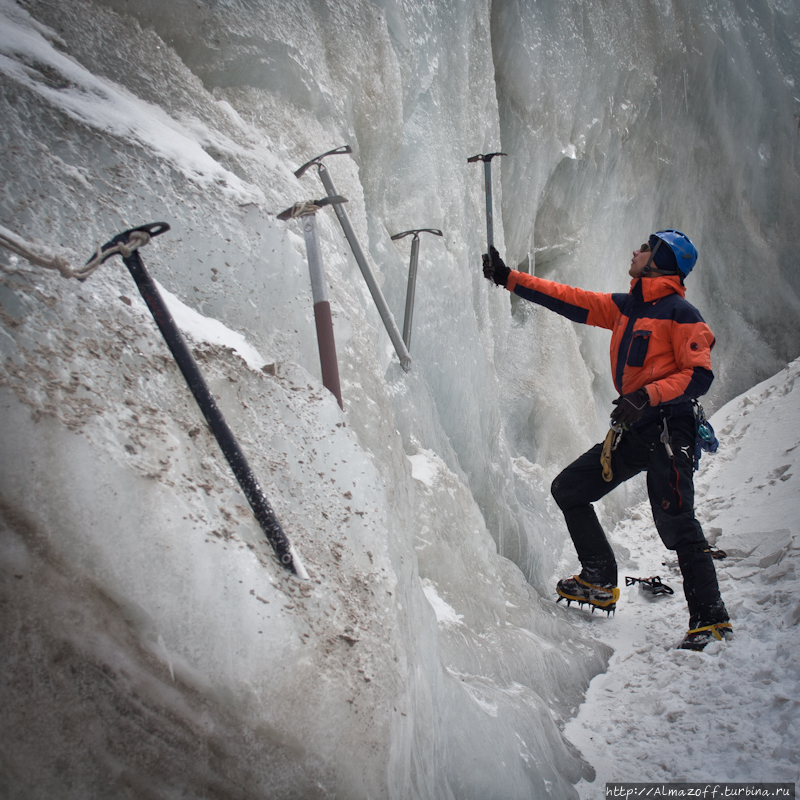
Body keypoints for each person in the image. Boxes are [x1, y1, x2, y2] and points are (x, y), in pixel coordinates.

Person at [482, 230, 731, 651]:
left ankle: (711, 620)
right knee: (569, 488)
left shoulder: (681, 314)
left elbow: (699, 375)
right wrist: (508, 277)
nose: (634, 251)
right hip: (636, 430)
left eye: (645, 248)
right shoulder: (627, 307)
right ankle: (598, 576)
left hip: (671, 430)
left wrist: (647, 395)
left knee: (677, 523)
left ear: (660, 261)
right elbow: (570, 299)